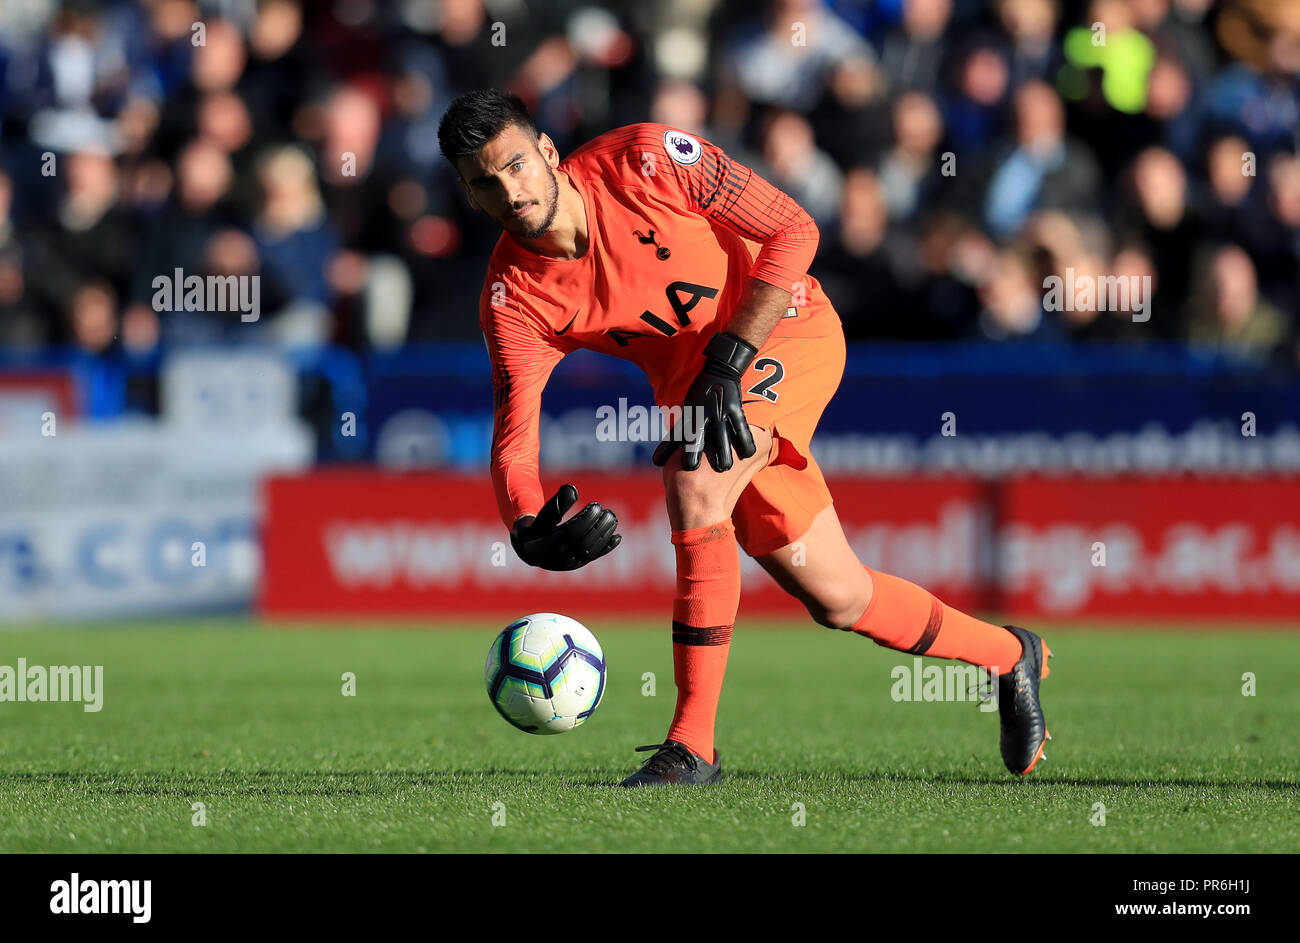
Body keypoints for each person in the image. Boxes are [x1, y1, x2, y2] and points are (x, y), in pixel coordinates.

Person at [437, 89, 1052, 786]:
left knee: (696, 474)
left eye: (516, 165)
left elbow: (796, 229)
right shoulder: (513, 295)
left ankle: (692, 745)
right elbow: (514, 441)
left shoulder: (646, 159)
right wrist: (524, 524)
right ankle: (1009, 655)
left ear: (547, 151)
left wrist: (730, 358)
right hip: (704, 385)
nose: (509, 191)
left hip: (784, 327)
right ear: (468, 194)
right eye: (484, 183)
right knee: (839, 597)